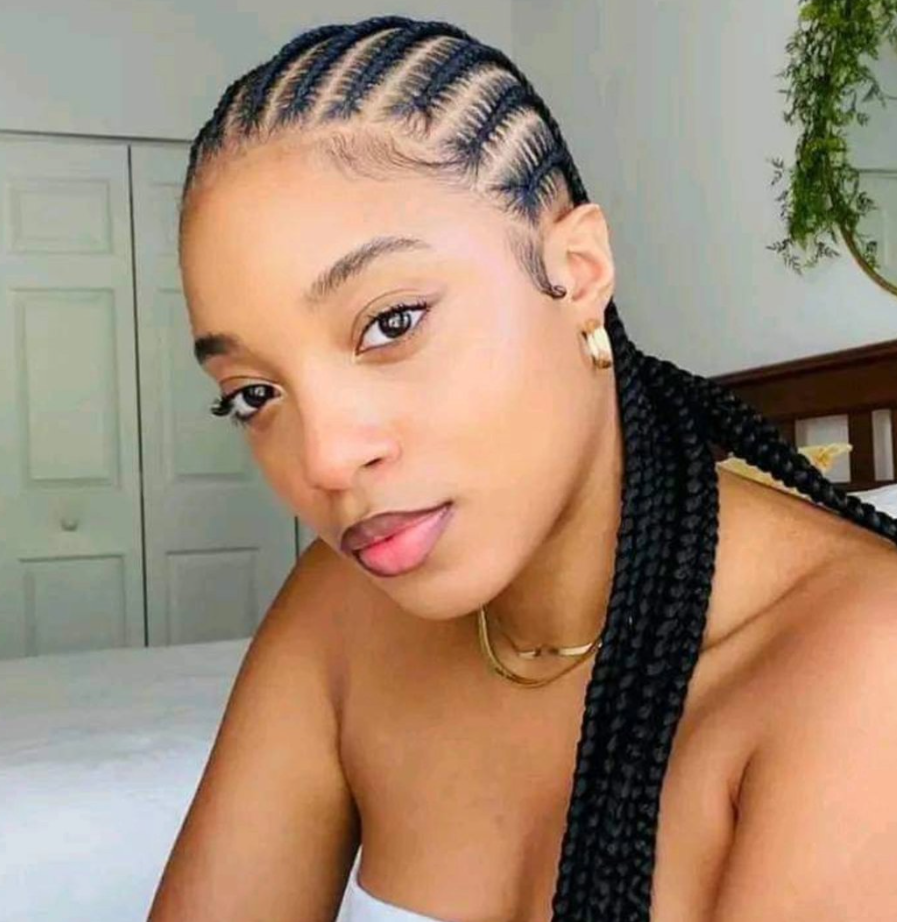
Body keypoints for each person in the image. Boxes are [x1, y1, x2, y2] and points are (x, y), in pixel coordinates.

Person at [147, 15, 897, 922]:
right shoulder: (337, 616)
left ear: (577, 272)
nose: (325, 460)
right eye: (254, 394)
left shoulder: (861, 667)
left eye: (391, 324)